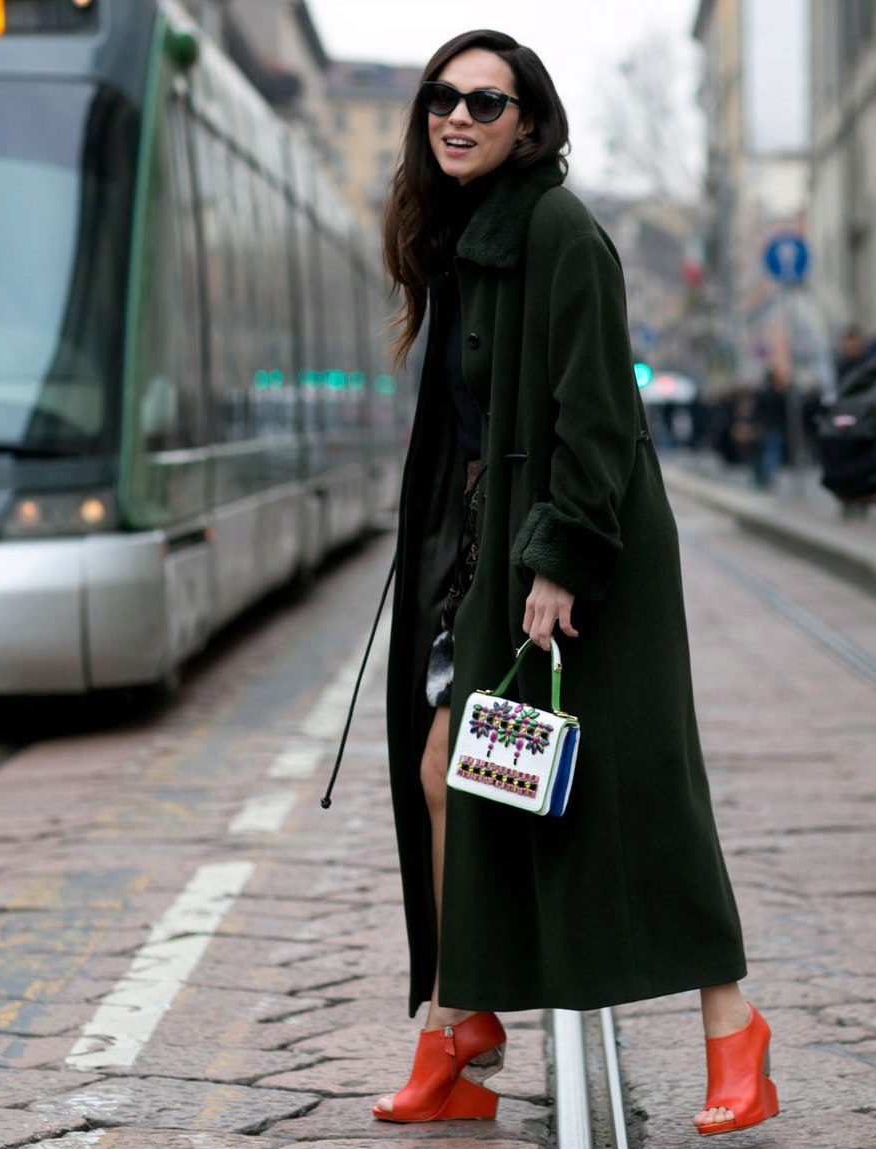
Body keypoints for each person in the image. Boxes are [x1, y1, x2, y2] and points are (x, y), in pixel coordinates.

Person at [377, 29, 779, 1137]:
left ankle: (732, 1030)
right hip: (499, 546)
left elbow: (597, 410)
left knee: (635, 788)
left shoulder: (557, 228)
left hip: (586, 552)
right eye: (441, 98)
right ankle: (458, 1018)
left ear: (528, 123)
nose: (458, 118)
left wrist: (559, 559)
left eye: (486, 102)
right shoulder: (461, 238)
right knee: (451, 769)